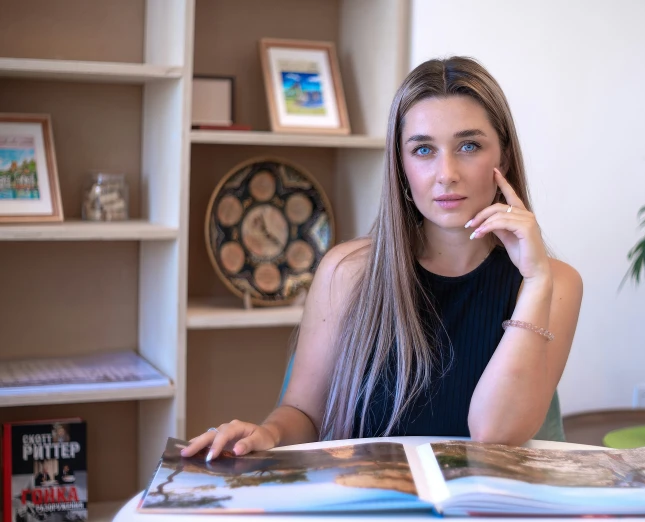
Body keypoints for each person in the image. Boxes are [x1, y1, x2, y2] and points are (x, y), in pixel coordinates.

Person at [183, 56, 583, 462]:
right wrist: (266, 433)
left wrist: (534, 282)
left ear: (505, 158)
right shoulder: (347, 271)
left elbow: (494, 433)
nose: (446, 173)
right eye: (423, 149)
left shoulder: (554, 283)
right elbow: (303, 413)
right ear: (400, 163)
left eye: (469, 146)